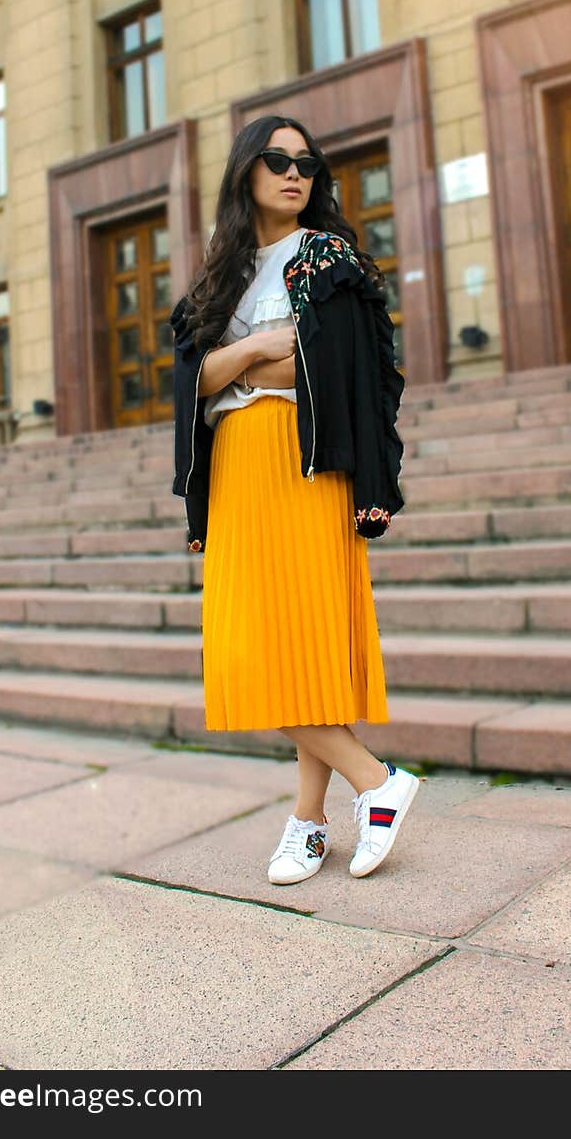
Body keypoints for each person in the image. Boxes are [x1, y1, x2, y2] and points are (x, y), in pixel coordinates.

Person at [169, 114, 419, 886]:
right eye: (277, 160)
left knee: (296, 649)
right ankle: (354, 797)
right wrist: (248, 351)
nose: (294, 173)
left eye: (307, 163)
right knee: (250, 648)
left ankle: (349, 802)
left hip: (304, 465)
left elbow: (333, 371)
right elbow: (188, 381)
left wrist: (230, 370)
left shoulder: (329, 260)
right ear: (246, 172)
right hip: (238, 474)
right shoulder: (223, 275)